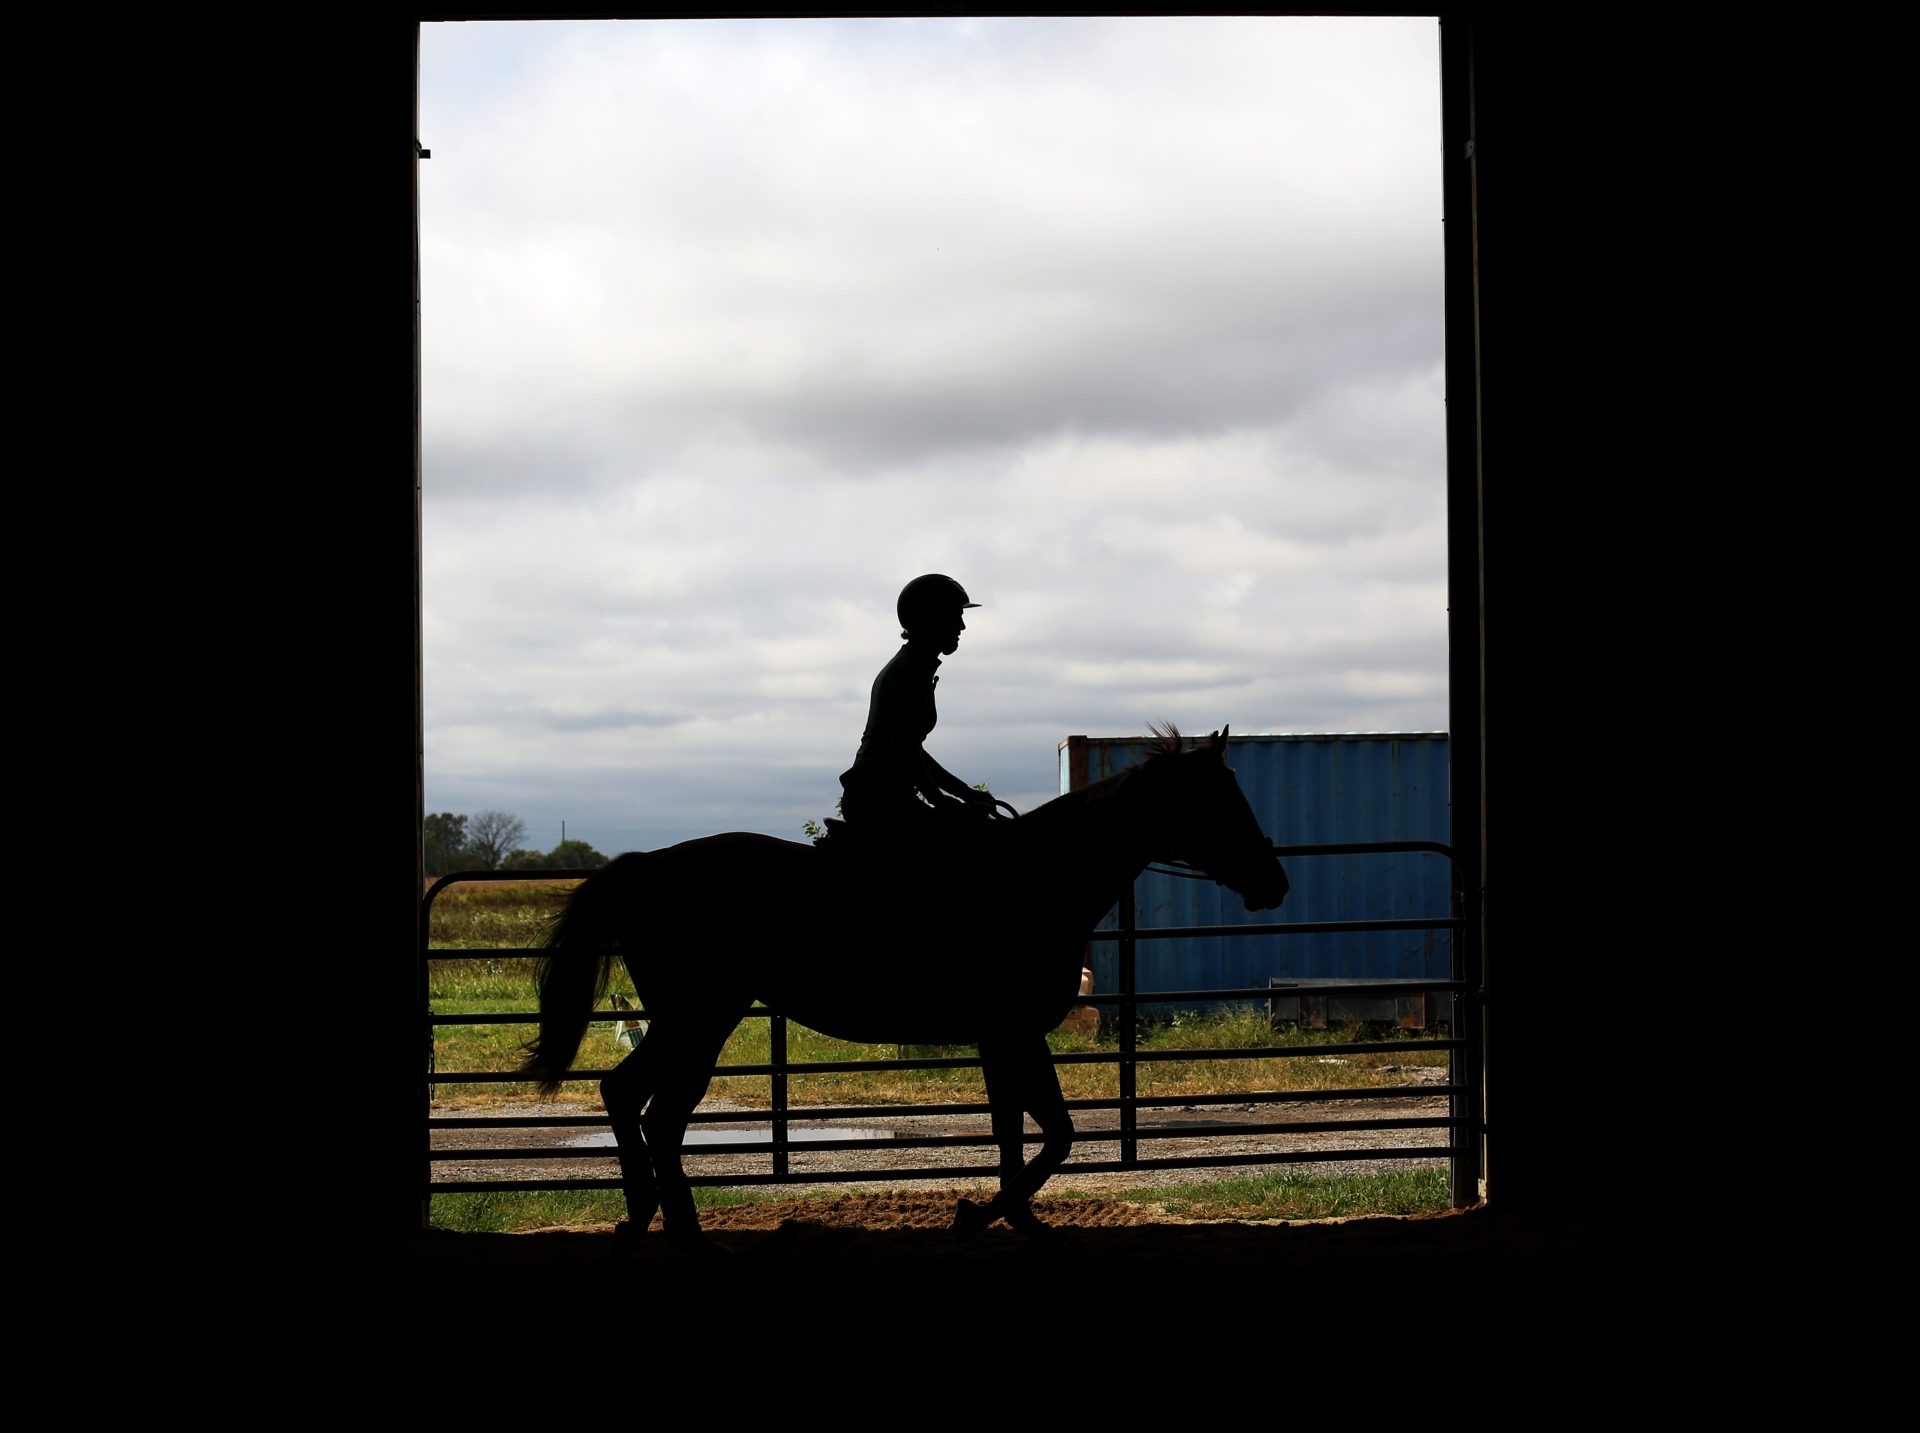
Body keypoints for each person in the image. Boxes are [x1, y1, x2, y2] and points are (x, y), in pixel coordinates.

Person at [836, 574, 1000, 848]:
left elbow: (912, 750)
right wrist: (941, 799)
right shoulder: (908, 672)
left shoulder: (915, 668)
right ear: (929, 619)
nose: (961, 626)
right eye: (954, 616)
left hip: (886, 796)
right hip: (879, 802)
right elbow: (903, 750)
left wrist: (964, 793)